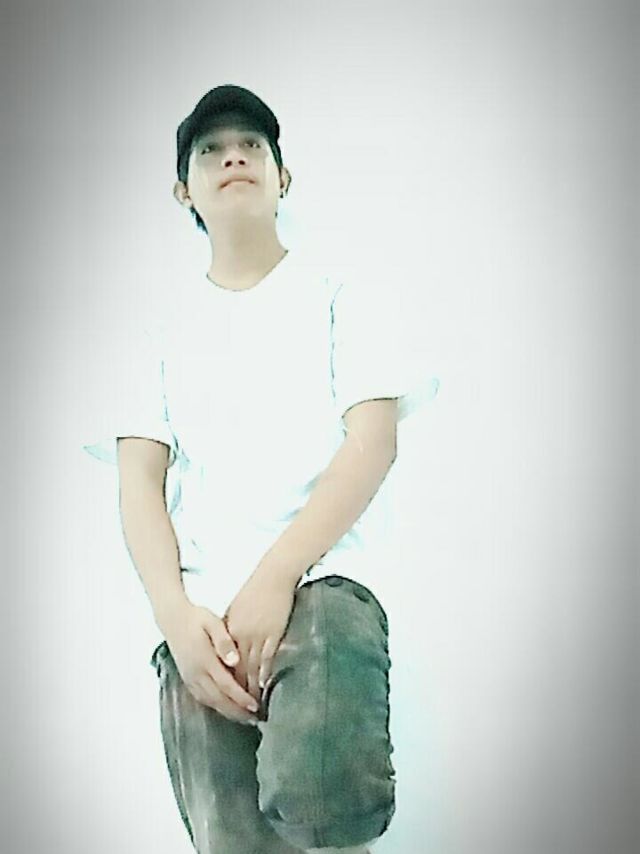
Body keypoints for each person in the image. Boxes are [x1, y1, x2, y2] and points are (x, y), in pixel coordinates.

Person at [83, 84, 440, 853]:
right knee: (232, 844)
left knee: (325, 812)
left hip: (321, 585)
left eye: (252, 145)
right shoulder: (152, 327)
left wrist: (278, 575)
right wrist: (173, 616)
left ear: (284, 177)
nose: (234, 157)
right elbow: (139, 482)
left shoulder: (343, 293)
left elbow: (373, 442)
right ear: (184, 191)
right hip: (201, 624)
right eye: (210, 150)